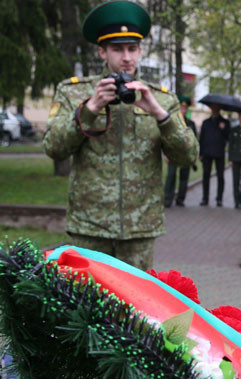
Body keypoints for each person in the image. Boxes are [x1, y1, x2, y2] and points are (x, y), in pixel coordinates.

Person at [42, 0, 198, 271]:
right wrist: (90, 109)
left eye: (132, 48)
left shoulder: (162, 98)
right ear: (102, 52)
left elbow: (188, 156)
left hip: (140, 230)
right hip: (90, 227)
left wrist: (161, 116)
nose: (126, 57)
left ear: (139, 51)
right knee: (86, 308)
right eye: (117, 49)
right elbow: (54, 148)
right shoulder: (74, 93)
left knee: (134, 311)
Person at [163, 95, 197, 208]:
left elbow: (194, 141)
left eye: (185, 108)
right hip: (172, 154)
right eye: (181, 108)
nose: (183, 110)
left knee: (184, 177)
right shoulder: (172, 122)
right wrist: (165, 154)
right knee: (171, 176)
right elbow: (165, 137)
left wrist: (193, 156)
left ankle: (180, 199)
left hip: (185, 155)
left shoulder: (191, 124)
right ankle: (168, 199)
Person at [199, 103, 230, 206]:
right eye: (213, 107)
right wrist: (201, 153)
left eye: (217, 107)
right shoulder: (206, 122)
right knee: (206, 176)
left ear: (219, 109)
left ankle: (219, 198)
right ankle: (205, 198)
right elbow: (201, 139)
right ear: (211, 108)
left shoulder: (224, 122)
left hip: (219, 153)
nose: (215, 109)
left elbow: (228, 137)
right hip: (207, 153)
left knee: (220, 176)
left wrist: (223, 129)